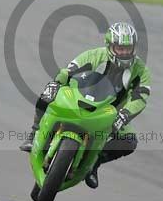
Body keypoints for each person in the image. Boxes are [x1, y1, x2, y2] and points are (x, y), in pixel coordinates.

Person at [19, 22, 152, 189]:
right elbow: (68, 71)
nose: (124, 53)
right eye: (120, 48)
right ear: (110, 46)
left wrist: (124, 115)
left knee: (129, 141)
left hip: (111, 113)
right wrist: (56, 83)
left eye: (128, 48)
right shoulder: (94, 55)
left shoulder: (141, 70)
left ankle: (94, 164)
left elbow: (140, 97)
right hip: (78, 100)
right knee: (46, 96)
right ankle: (33, 134)